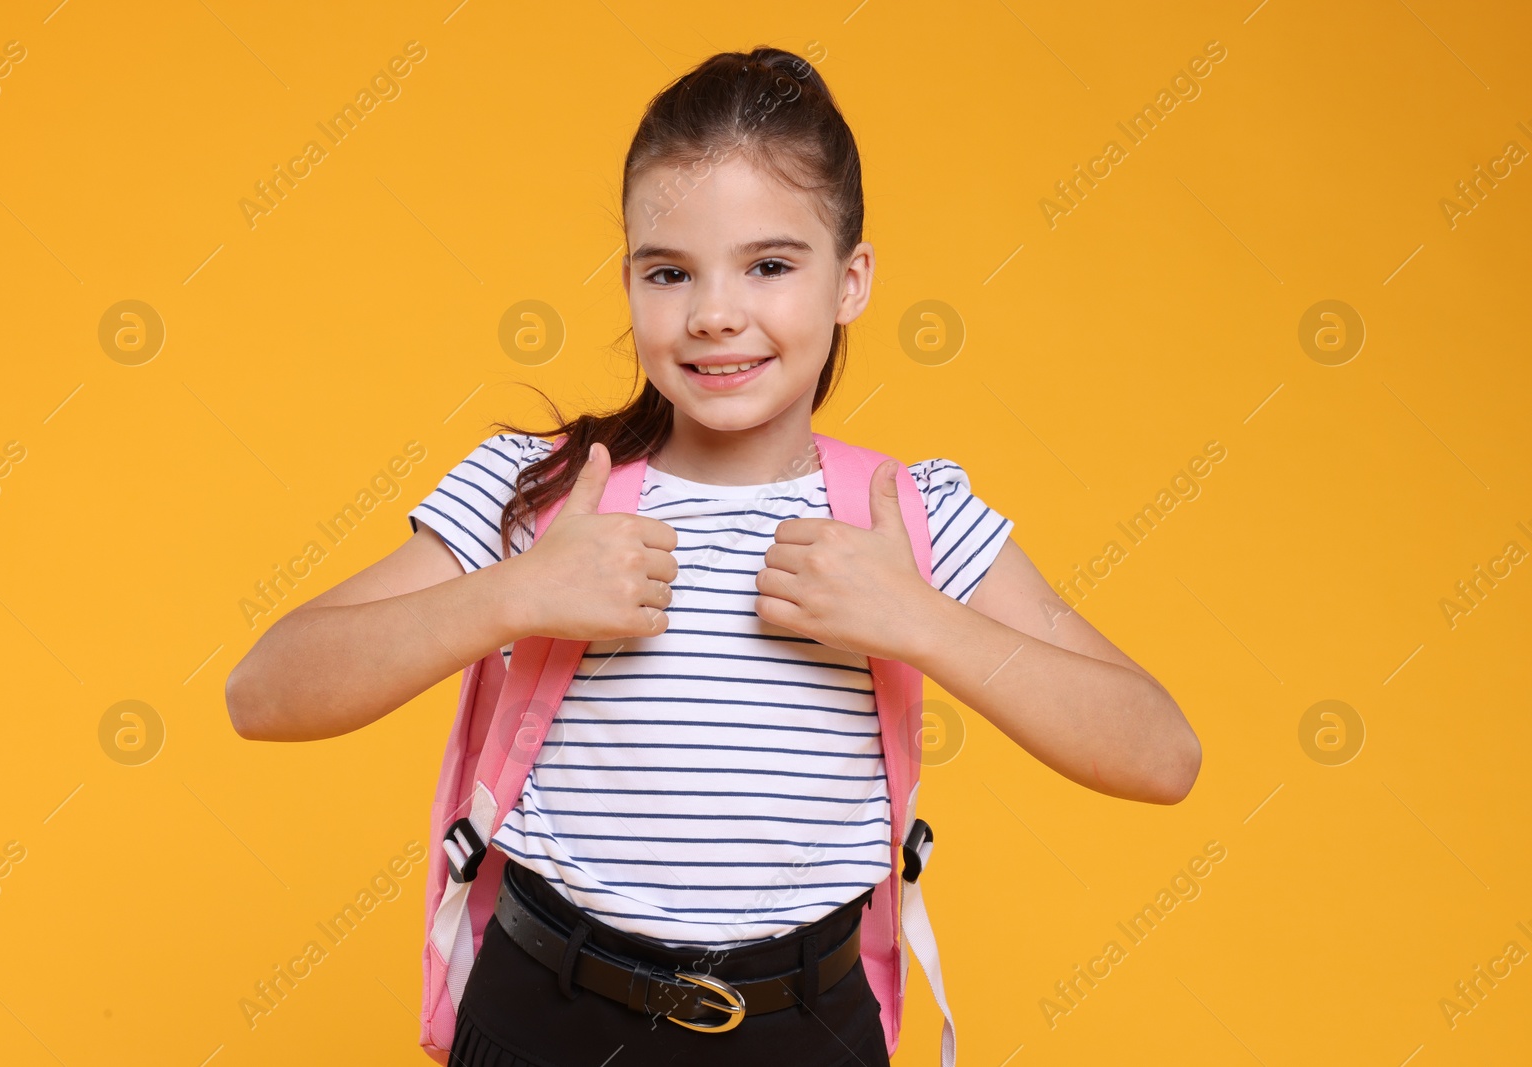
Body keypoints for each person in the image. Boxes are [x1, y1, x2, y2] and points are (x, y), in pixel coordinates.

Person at [226, 45, 1201, 1067]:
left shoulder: (904, 516)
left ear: (851, 280)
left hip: (806, 1029)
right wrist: (516, 593)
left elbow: (1159, 753)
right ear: (629, 280)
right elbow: (267, 691)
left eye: (770, 265)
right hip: (545, 1016)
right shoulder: (546, 489)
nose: (713, 313)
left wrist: (918, 617)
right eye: (669, 271)